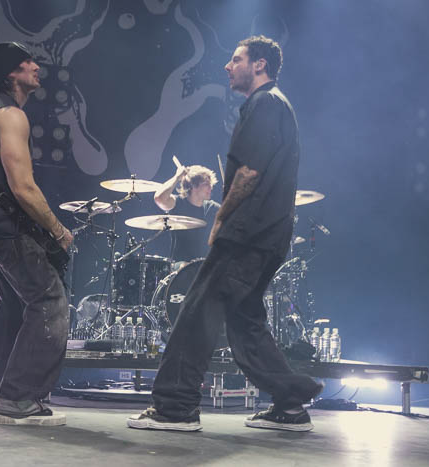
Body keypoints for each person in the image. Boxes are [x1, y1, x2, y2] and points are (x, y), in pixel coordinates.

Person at [127, 35, 322, 432]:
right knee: (245, 323)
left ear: (260, 65)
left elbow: (249, 172)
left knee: (195, 314)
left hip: (249, 234)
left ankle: (175, 408)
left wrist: (221, 220)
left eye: (236, 60)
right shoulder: (273, 104)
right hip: (267, 235)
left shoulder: (265, 103)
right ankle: (290, 404)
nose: (227, 67)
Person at [0, 42, 73, 426]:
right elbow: (23, 187)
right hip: (8, 229)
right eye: (27, 62)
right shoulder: (11, 116)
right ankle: (19, 398)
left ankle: (1, 382)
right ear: (11, 74)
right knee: (50, 302)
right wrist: (57, 230)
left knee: (12, 301)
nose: (36, 66)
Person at [153, 165, 220, 262]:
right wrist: (177, 177)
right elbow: (159, 199)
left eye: (211, 184)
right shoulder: (178, 202)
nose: (211, 188)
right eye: (206, 184)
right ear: (193, 185)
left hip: (204, 265)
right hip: (179, 266)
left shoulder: (212, 208)